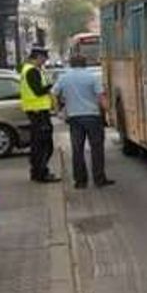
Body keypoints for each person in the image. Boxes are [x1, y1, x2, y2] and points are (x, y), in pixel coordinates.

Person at [52, 54, 114, 189]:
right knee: (97, 149)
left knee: (77, 149)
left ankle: (80, 181)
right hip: (92, 116)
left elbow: (54, 93)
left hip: (74, 118)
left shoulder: (64, 78)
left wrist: (58, 111)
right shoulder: (92, 77)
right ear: (85, 63)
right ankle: (99, 178)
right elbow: (100, 97)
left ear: (71, 64)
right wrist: (109, 111)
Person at [19, 46, 60, 183]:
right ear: (37, 57)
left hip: (37, 112)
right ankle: (41, 173)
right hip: (38, 113)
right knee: (44, 146)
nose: (45, 60)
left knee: (39, 144)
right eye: (44, 58)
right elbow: (38, 91)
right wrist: (51, 85)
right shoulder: (31, 71)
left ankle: (37, 172)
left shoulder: (31, 70)